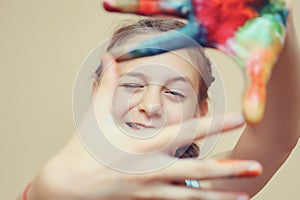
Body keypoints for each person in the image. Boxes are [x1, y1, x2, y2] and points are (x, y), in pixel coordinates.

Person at [17, 8, 299, 200]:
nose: (151, 105)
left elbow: (275, 137)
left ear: (201, 112)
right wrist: (43, 194)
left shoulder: (204, 188)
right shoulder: (70, 188)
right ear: (96, 94)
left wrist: (280, 28)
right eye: (132, 85)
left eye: (175, 92)